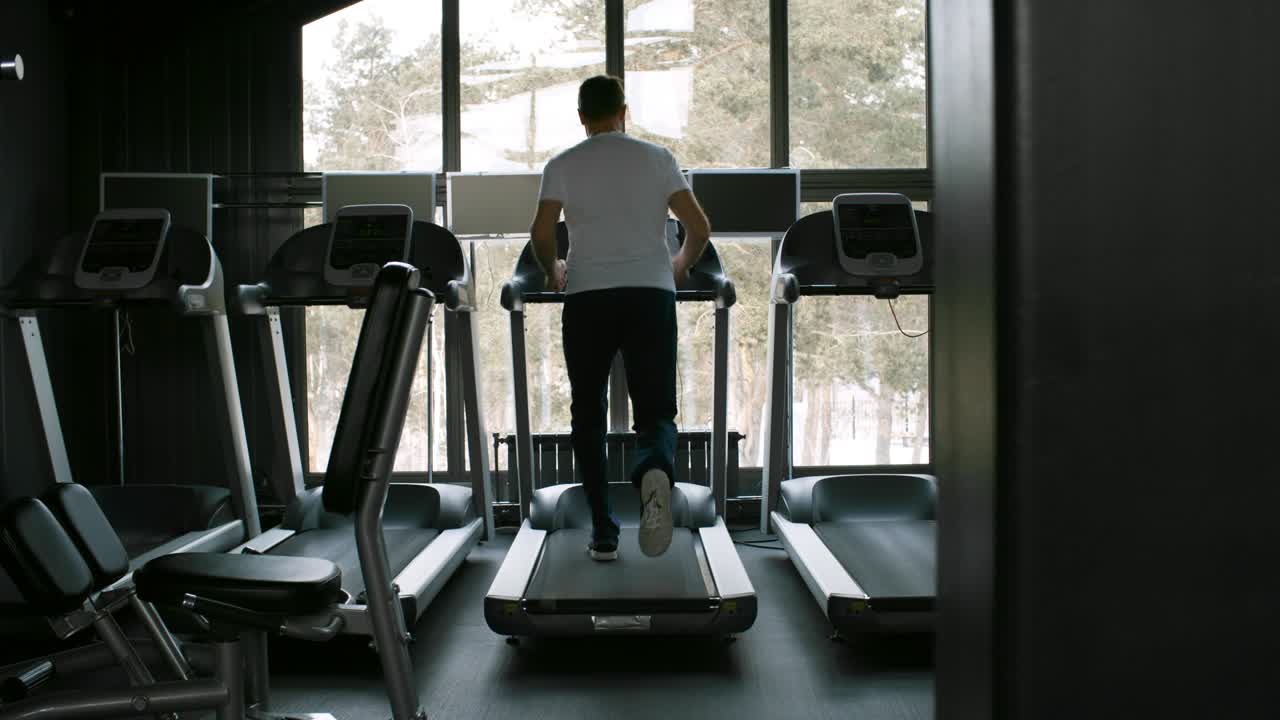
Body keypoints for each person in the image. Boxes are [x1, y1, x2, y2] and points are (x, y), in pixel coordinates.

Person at [529, 75, 711, 561]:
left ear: (582, 116)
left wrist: (553, 268)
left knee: (587, 411)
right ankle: (653, 467)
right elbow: (699, 225)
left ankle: (604, 531)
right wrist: (681, 263)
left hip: (588, 296)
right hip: (650, 294)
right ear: (624, 112)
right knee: (654, 410)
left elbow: (542, 231)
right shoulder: (658, 159)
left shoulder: (562, 165)